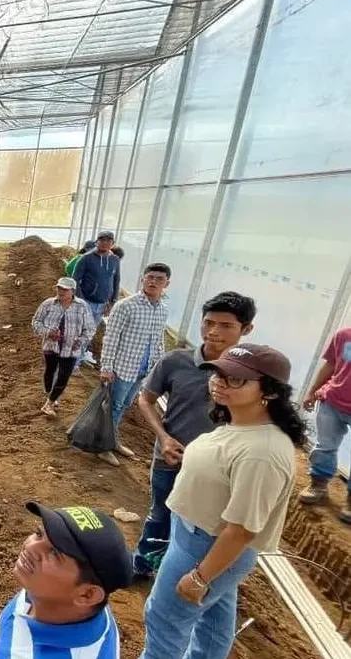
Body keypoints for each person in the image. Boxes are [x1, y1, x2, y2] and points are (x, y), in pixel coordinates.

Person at [140, 344, 306, 659]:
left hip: (205, 547)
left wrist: (201, 576)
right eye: (218, 373)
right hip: (198, 537)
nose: (219, 382)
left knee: (163, 622)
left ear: (269, 392)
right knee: (213, 628)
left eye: (236, 379)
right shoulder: (241, 424)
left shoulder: (263, 453)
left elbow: (242, 529)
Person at [132, 292, 256, 578]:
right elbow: (145, 399)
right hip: (170, 458)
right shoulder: (175, 361)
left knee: (200, 527)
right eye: (208, 323)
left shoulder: (252, 375)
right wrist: (163, 437)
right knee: (160, 514)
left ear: (246, 329)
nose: (214, 332)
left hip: (218, 471)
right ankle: (144, 563)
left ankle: (182, 573)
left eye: (226, 326)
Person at [0, 502, 131, 659]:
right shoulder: (69, 606)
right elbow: (20, 626)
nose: (30, 547)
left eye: (55, 553)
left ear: (87, 594)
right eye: (39, 533)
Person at [97, 262, 171, 467]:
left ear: (167, 284)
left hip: (143, 370)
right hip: (122, 367)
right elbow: (110, 338)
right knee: (114, 406)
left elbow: (158, 340)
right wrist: (106, 367)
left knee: (125, 405)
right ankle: (103, 447)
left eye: (159, 279)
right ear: (143, 279)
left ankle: (113, 440)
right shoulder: (126, 306)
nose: (153, 282)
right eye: (150, 277)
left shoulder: (162, 310)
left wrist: (159, 366)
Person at [298, 325, 351, 521]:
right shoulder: (344, 335)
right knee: (325, 446)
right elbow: (330, 365)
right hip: (333, 402)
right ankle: (318, 483)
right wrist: (312, 391)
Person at [30, 277, 97, 417]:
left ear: (72, 291)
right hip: (51, 346)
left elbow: (90, 328)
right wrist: (48, 333)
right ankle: (50, 395)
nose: (61, 292)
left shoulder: (82, 306)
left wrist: (81, 340)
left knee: (64, 376)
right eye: (59, 288)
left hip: (71, 349)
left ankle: (49, 402)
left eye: (65, 289)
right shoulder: (48, 304)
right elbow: (36, 322)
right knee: (50, 371)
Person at [74, 231, 121, 365]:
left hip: (102, 304)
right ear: (97, 242)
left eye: (109, 241)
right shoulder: (86, 258)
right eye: (102, 240)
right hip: (86, 301)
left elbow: (116, 280)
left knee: (90, 333)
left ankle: (78, 359)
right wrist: (80, 300)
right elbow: (75, 280)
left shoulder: (114, 260)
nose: (105, 243)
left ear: (113, 243)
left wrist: (112, 301)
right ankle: (73, 363)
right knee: (80, 331)